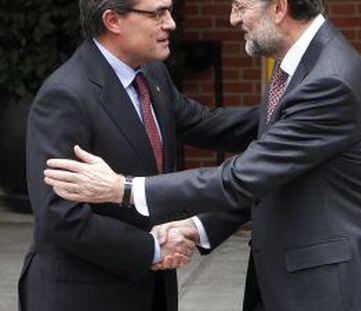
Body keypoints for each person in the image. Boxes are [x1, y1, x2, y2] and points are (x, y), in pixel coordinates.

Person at [44, 0, 361, 310]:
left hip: (332, 288)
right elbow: (271, 176)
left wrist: (124, 188)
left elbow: (242, 178)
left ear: (279, 7)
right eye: (158, 12)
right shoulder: (296, 66)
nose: (234, 19)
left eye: (240, 6)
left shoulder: (328, 80)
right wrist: (198, 227)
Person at [20, 0, 259, 310]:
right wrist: (152, 249)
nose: (170, 23)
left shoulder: (151, 74)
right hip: (84, 295)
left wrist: (289, 111)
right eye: (157, 13)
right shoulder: (66, 95)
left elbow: (208, 125)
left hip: (151, 291)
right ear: (113, 20)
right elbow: (59, 215)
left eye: (169, 10)